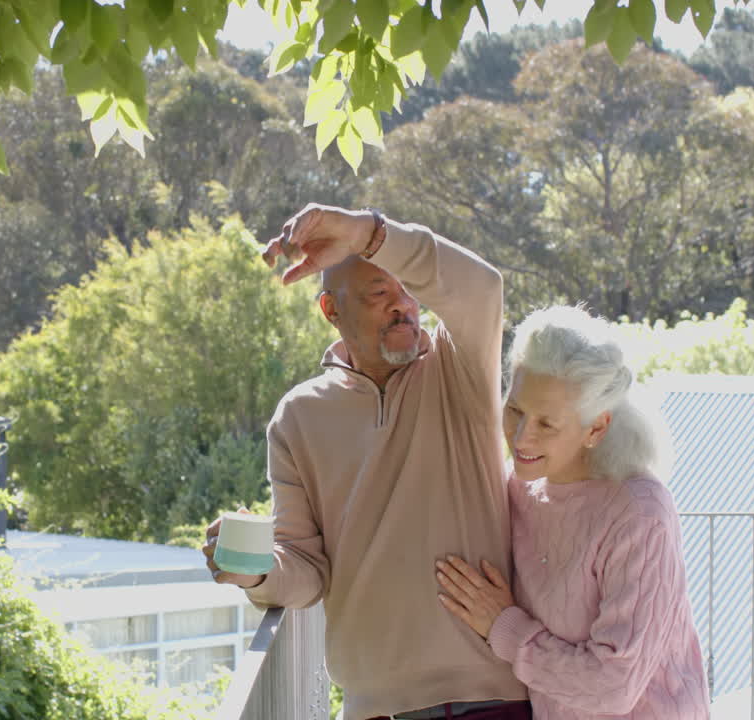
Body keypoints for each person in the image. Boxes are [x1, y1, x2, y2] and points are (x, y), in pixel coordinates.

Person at [202, 204, 529, 720]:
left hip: (487, 701)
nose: (403, 305)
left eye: (407, 290)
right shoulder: (299, 416)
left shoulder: (459, 370)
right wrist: (254, 572)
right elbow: (306, 570)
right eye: (379, 294)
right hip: (373, 710)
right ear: (331, 310)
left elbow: (481, 288)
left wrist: (368, 233)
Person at [434, 305, 709, 720]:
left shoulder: (639, 512)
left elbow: (613, 685)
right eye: (515, 411)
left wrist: (503, 628)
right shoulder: (517, 486)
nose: (522, 435)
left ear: (596, 428)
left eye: (547, 424)